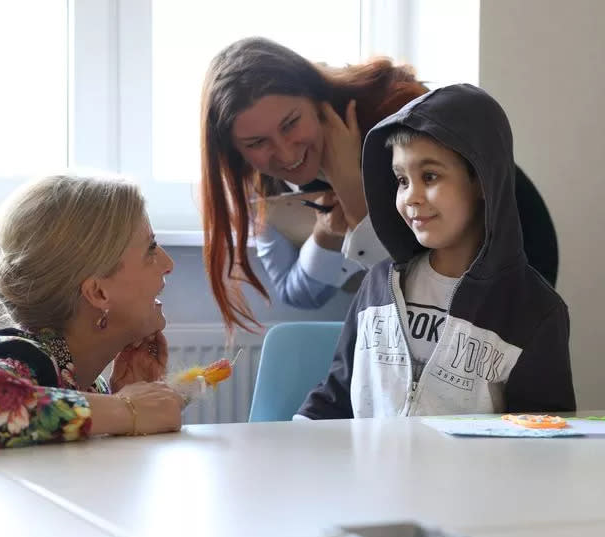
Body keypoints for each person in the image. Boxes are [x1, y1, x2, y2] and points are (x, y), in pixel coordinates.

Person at [200, 37, 559, 331]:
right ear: (235, 150)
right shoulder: (257, 183)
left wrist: (353, 189)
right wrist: (325, 237)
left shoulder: (397, 111)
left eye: (291, 123)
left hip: (513, 255)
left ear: (316, 99)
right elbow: (299, 293)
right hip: (420, 308)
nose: (283, 152)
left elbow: (427, 278)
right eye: (256, 143)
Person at [296, 84, 576, 418]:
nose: (411, 197)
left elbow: (543, 436)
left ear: (482, 181)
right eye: (402, 180)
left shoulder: (535, 310)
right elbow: (336, 394)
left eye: (429, 176)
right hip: (372, 470)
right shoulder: (377, 284)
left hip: (476, 472)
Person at [0, 173, 185, 451]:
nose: (168, 263)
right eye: (150, 248)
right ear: (98, 293)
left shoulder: (81, 380)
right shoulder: (24, 356)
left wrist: (125, 396)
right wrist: (125, 409)